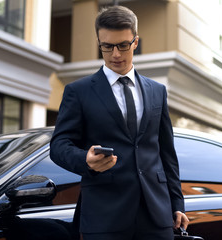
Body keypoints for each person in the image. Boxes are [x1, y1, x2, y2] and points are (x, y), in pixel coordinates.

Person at [50, 5, 189, 240]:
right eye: (107, 46)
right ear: (99, 43)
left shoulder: (157, 91)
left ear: (135, 41)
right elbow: (59, 145)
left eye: (123, 45)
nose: (115, 54)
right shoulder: (78, 92)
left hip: (156, 216)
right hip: (105, 216)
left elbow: (166, 152)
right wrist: (85, 160)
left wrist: (177, 202)